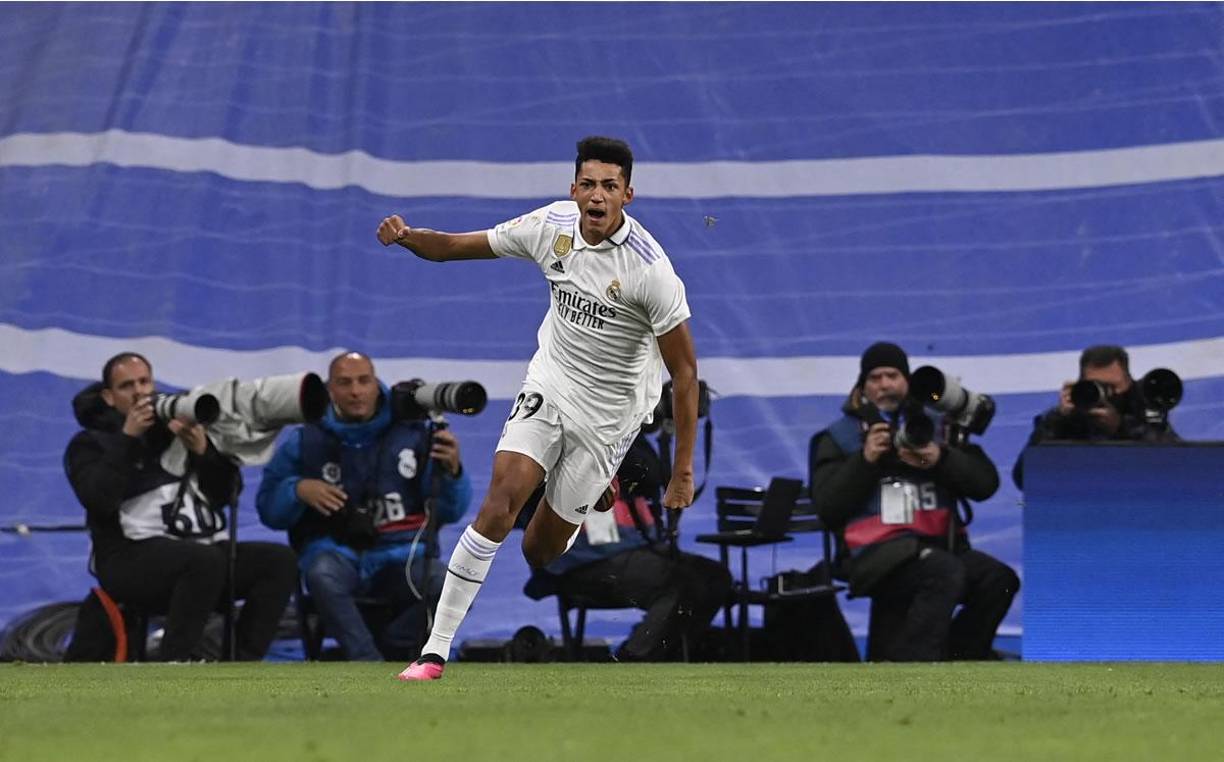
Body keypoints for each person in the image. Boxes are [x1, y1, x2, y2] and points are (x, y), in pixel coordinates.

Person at [377, 135, 699, 680]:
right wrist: (408, 238)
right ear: (574, 189)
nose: (597, 196)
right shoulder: (551, 227)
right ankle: (434, 651)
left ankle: (596, 489)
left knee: (539, 552)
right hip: (550, 385)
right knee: (501, 498)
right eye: (589, 184)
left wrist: (683, 471)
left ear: (628, 195)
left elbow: (686, 374)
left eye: (610, 187)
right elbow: (455, 246)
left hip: (610, 417)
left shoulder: (651, 272)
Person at [63, 352, 297, 661]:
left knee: (279, 561)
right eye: (127, 386)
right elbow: (99, 499)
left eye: (145, 381)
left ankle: (242, 663)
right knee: (203, 560)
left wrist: (203, 451)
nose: (140, 393)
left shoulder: (175, 430)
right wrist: (128, 438)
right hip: (128, 558)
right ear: (108, 396)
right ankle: (174, 663)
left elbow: (227, 496)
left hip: (197, 551)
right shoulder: (89, 443)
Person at [809, 342, 1018, 661]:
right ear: (863, 386)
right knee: (942, 571)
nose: (884, 384)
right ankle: (916, 667)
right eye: (875, 378)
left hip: (938, 547)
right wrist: (865, 461)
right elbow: (827, 508)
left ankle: (962, 656)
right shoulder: (841, 438)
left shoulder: (933, 427)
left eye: (892, 375)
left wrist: (941, 458)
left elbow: (985, 484)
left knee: (998, 580)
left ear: (907, 380)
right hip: (874, 556)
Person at [256, 352, 473, 660]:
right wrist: (297, 490)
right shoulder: (305, 439)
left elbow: (450, 511)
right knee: (321, 574)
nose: (355, 391)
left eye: (363, 381)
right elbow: (268, 510)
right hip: (335, 553)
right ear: (330, 389)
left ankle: (394, 647)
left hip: (401, 554)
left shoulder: (414, 432)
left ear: (376, 384)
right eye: (344, 383)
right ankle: (366, 661)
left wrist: (453, 473)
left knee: (452, 586)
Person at [523, 433, 731, 661]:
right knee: (684, 583)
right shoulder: (572, 429)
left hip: (631, 548)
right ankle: (630, 660)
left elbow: (650, 477)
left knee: (715, 577)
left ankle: (664, 658)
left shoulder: (628, 431)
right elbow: (639, 470)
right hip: (583, 561)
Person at [1012, 344, 1181, 488]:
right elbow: (1024, 479)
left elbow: (1180, 464)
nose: (1107, 394)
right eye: (1098, 386)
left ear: (1129, 381)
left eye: (1113, 386)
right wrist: (1057, 422)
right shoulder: (1067, 418)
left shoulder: (1141, 408)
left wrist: (1121, 427)